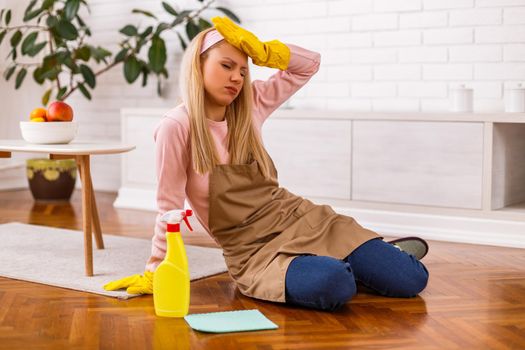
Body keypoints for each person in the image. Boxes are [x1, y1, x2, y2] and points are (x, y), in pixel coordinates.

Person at [104, 17, 429, 311]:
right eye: (226, 66)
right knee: (335, 285)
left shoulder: (252, 104)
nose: (236, 78)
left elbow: (308, 65)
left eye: (243, 71)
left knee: (412, 279)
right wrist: (155, 270)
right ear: (198, 66)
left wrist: (264, 52)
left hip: (300, 219)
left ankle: (372, 257)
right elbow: (169, 207)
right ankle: (350, 262)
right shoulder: (177, 126)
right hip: (254, 252)